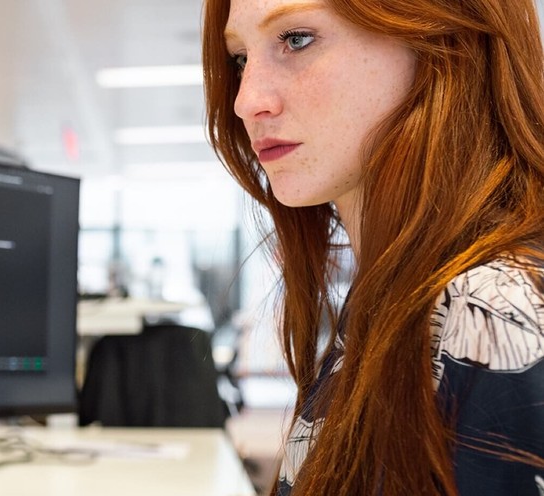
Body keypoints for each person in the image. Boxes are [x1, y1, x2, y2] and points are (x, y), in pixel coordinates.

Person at [203, 0, 544, 494]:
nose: (245, 100)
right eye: (240, 59)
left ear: (439, 38)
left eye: (297, 39)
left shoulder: (491, 303)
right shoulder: (393, 291)